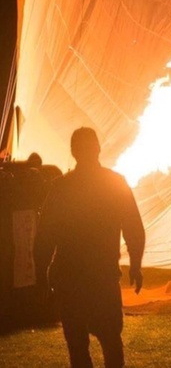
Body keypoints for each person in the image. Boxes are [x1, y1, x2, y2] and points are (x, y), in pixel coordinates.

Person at [35, 127, 146, 368]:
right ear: (98, 148)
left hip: (71, 278)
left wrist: (42, 275)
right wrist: (135, 265)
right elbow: (134, 228)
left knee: (78, 348)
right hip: (101, 277)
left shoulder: (62, 187)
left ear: (73, 152)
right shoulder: (114, 183)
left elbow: (44, 236)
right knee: (110, 342)